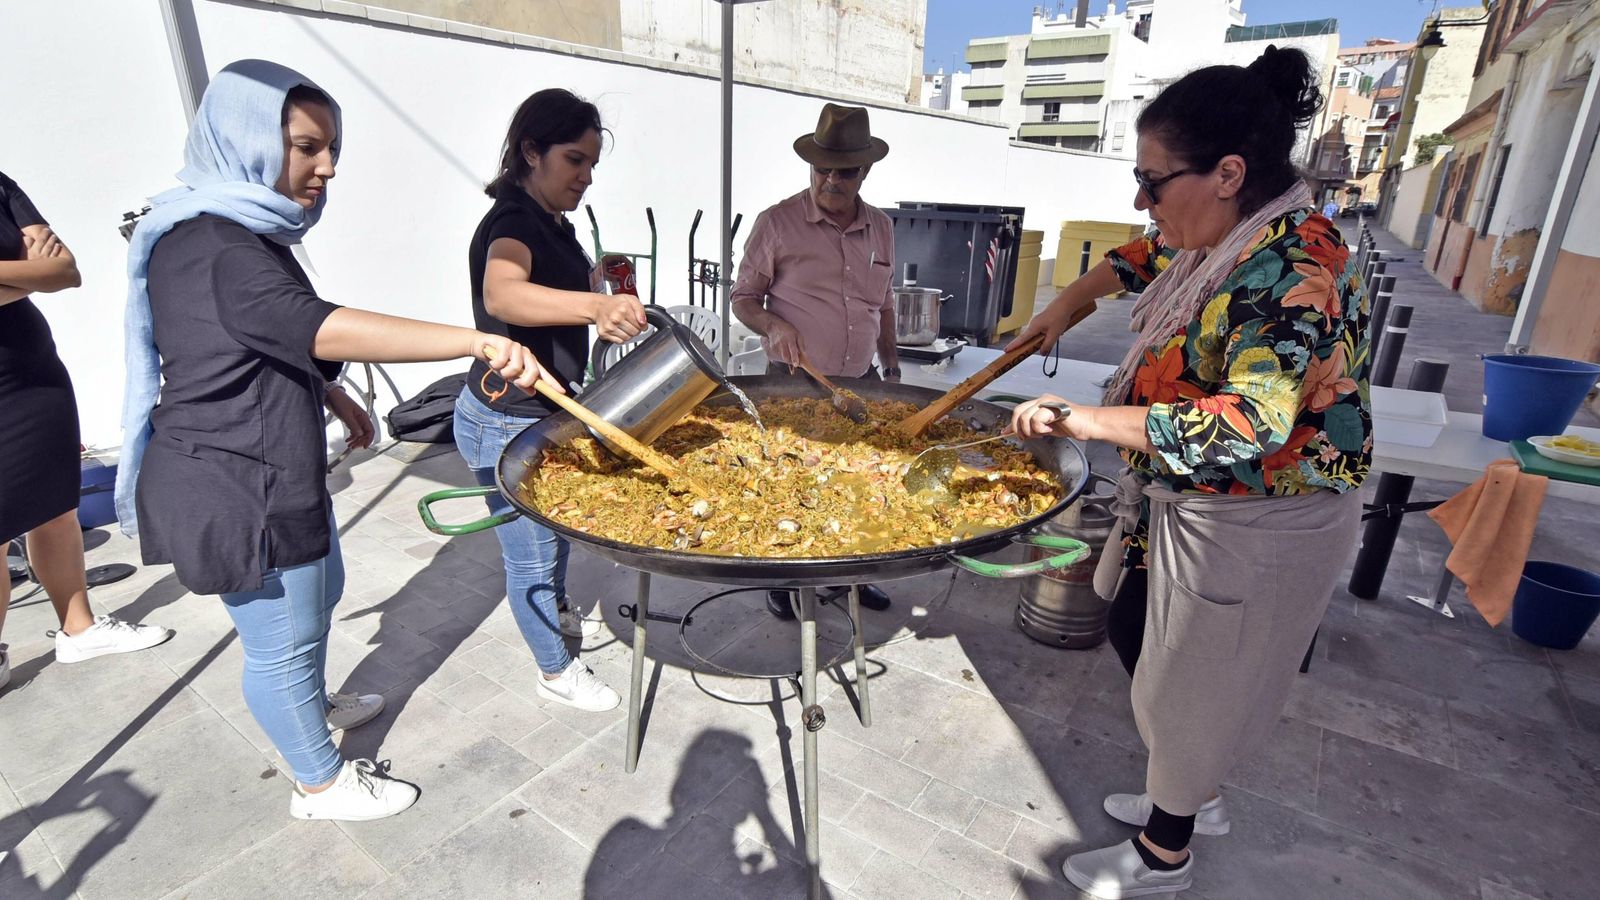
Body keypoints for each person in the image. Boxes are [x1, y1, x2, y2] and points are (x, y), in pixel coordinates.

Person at [118, 60, 557, 822]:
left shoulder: (240, 229)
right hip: (232, 484)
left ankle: (312, 704)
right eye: (305, 147)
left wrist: (328, 391)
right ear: (248, 138)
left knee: (317, 600)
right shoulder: (216, 242)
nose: (325, 168)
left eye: (332, 150)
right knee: (280, 641)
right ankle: (319, 783)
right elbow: (312, 324)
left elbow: (247, 339)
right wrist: (473, 342)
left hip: (271, 465)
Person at [1008, 46, 1369, 898]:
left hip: (1262, 510)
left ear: (1228, 173)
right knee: (1139, 633)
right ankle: (1187, 786)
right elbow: (1140, 254)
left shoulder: (1290, 262)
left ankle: (1166, 852)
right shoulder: (1221, 227)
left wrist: (1090, 420)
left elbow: (1250, 421)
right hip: (1188, 498)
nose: (1144, 202)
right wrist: (1068, 300)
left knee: (1196, 682)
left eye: (1154, 180)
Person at [455, 88, 640, 712]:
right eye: (573, 161)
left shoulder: (553, 222)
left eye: (591, 164)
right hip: (503, 417)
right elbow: (504, 295)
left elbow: (550, 287)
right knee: (530, 553)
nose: (585, 177)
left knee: (553, 536)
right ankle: (555, 670)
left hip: (546, 411)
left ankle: (557, 614)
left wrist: (596, 278)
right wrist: (594, 306)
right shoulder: (511, 221)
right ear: (530, 152)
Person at [0, 173, 173, 691]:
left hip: (33, 374)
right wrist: (27, 274)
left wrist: (32, 276)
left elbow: (65, 271)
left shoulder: (0, 186)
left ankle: (80, 629)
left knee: (55, 506)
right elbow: (41, 272)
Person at [730, 102, 899, 620]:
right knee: (794, 482)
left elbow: (885, 303)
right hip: (792, 382)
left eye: (844, 171)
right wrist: (774, 326)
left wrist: (891, 371)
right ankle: (785, 578)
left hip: (863, 383)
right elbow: (743, 299)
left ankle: (853, 573)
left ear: (864, 171)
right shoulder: (777, 223)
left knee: (864, 480)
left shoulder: (882, 228)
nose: (831, 179)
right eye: (821, 168)